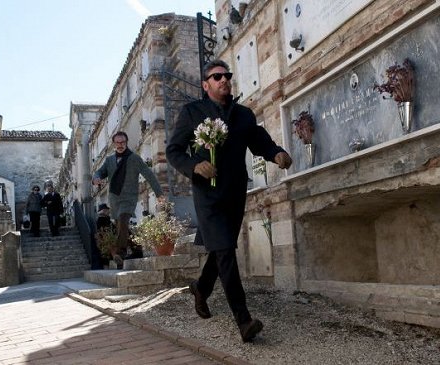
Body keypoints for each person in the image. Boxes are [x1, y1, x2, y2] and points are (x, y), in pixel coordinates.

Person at [165, 59, 292, 343]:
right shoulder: (191, 112)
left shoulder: (243, 115)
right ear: (205, 84)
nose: (224, 80)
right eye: (217, 76)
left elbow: (260, 141)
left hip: (235, 192)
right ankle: (244, 320)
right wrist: (194, 166)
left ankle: (201, 288)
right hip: (207, 194)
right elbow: (174, 151)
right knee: (224, 250)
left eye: (227, 76)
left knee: (222, 248)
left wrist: (277, 153)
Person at [92, 131, 165, 268]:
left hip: (129, 197)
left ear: (126, 142)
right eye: (118, 142)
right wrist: (96, 178)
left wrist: (159, 194)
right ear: (114, 144)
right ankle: (137, 250)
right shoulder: (109, 160)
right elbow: (100, 172)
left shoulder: (134, 158)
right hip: (114, 197)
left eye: (123, 142)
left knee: (123, 218)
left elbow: (149, 175)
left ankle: (121, 252)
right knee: (121, 225)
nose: (120, 145)